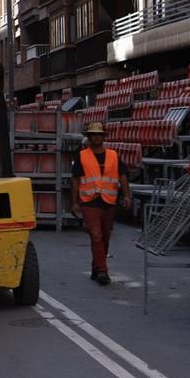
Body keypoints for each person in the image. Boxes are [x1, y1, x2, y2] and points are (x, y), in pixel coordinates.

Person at [71, 122, 132, 286]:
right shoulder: (82, 156)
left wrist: (127, 195)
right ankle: (102, 271)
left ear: (103, 137)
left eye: (99, 134)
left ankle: (96, 267)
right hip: (89, 202)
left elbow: (123, 175)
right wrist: (74, 202)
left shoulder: (113, 155)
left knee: (104, 237)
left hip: (109, 202)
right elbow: (75, 179)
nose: (96, 137)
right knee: (96, 236)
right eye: (93, 135)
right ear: (89, 137)